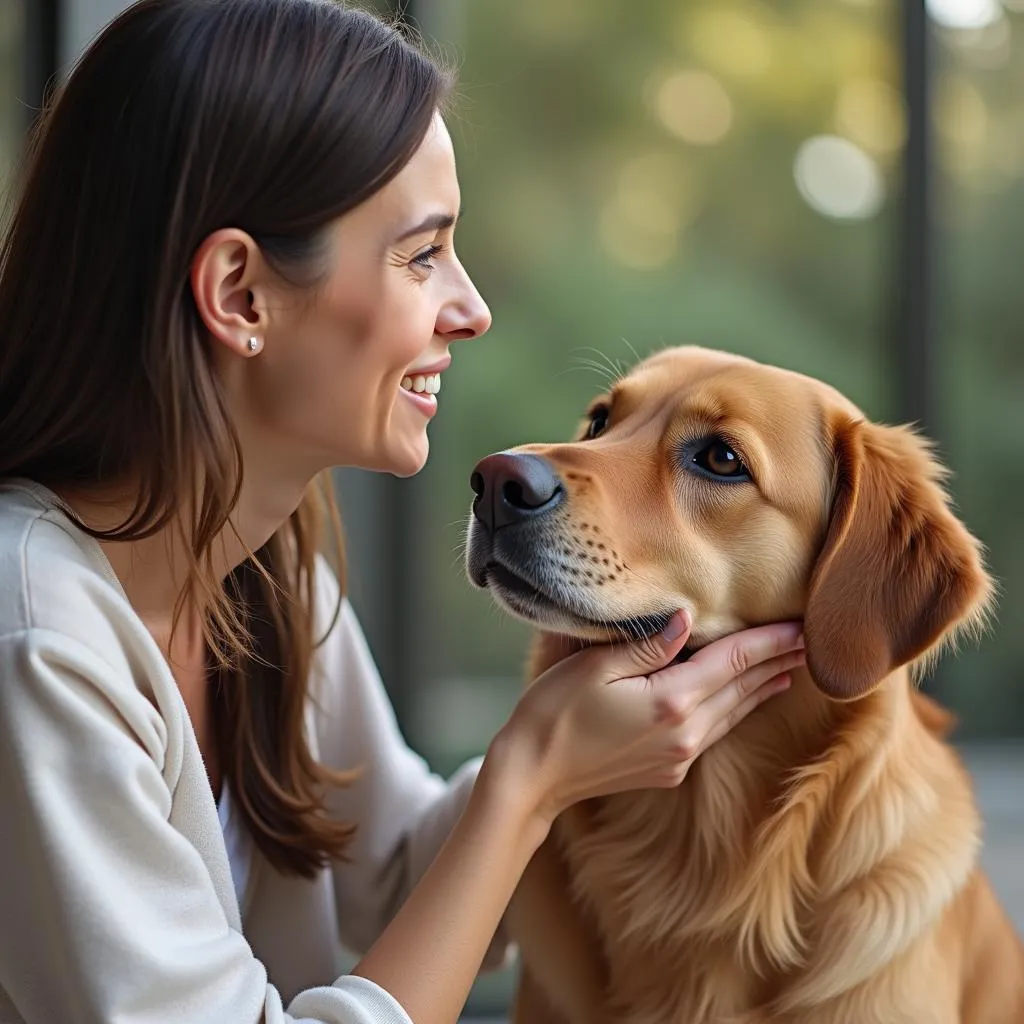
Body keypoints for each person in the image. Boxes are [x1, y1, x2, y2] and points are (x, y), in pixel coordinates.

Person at [0, 2, 806, 1022]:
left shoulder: (266, 575)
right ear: (240, 294)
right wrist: (530, 774)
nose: (470, 309)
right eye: (422, 255)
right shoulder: (35, 641)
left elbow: (392, 869)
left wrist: (588, 717)